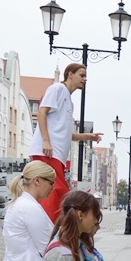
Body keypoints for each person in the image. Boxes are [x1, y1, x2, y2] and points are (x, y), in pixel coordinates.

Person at [28, 63, 103, 222]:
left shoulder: (69, 100)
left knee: (57, 192)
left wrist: (87, 137)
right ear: (70, 74)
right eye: (82, 75)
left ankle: (52, 226)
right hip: (47, 152)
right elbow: (42, 112)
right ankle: (50, 228)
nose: (85, 79)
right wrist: (46, 141)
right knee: (56, 190)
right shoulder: (57, 89)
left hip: (56, 155)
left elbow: (66, 133)